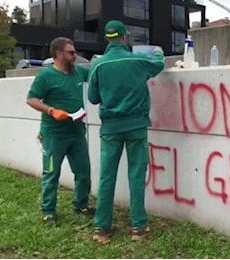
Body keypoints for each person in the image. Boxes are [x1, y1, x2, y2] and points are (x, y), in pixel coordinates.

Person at [87, 20, 165, 244]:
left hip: (110, 128)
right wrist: (158, 51)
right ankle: (138, 227)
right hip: (136, 126)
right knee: (136, 176)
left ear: (107, 38)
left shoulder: (98, 65)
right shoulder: (136, 60)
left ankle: (101, 228)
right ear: (124, 37)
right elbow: (158, 64)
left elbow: (93, 97)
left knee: (106, 177)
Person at [26, 37, 95, 225]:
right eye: (71, 53)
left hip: (76, 133)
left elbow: (97, 76)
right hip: (54, 135)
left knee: (83, 172)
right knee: (51, 174)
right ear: (58, 54)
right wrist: (51, 111)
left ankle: (81, 205)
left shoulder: (78, 72)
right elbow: (31, 99)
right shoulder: (45, 76)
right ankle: (48, 211)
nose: (75, 56)